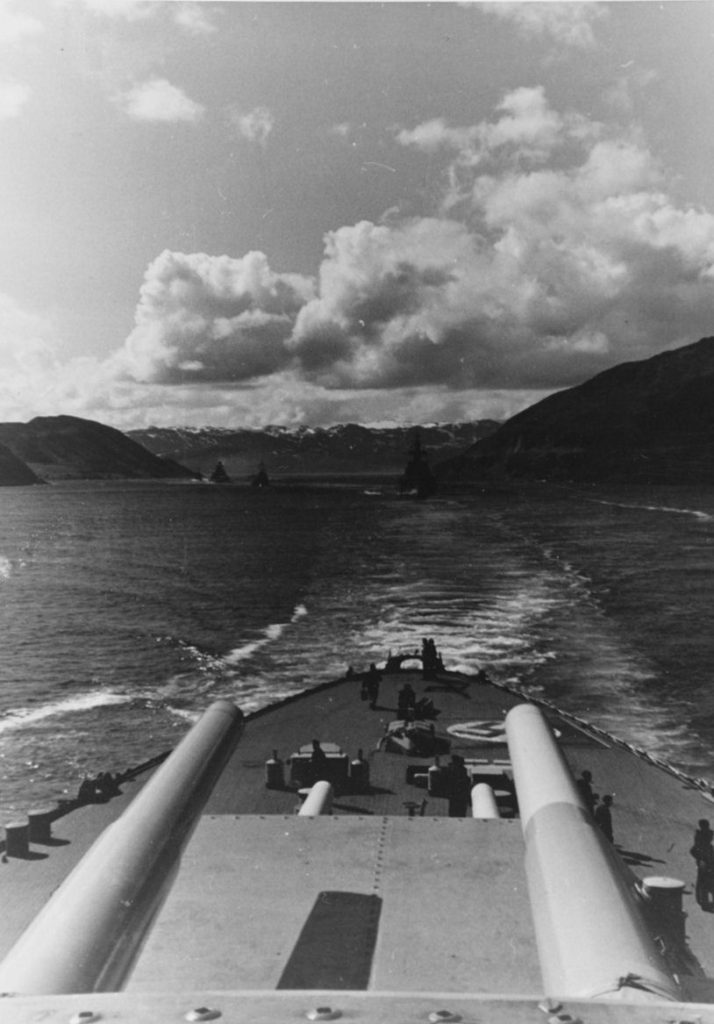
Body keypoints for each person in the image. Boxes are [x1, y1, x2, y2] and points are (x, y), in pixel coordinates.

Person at [691, 819, 714, 909]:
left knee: (705, 881)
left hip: (708, 861)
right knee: (703, 882)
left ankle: (703, 901)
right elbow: (693, 850)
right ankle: (703, 901)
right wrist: (701, 860)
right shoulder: (700, 838)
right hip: (704, 862)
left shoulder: (704, 836)